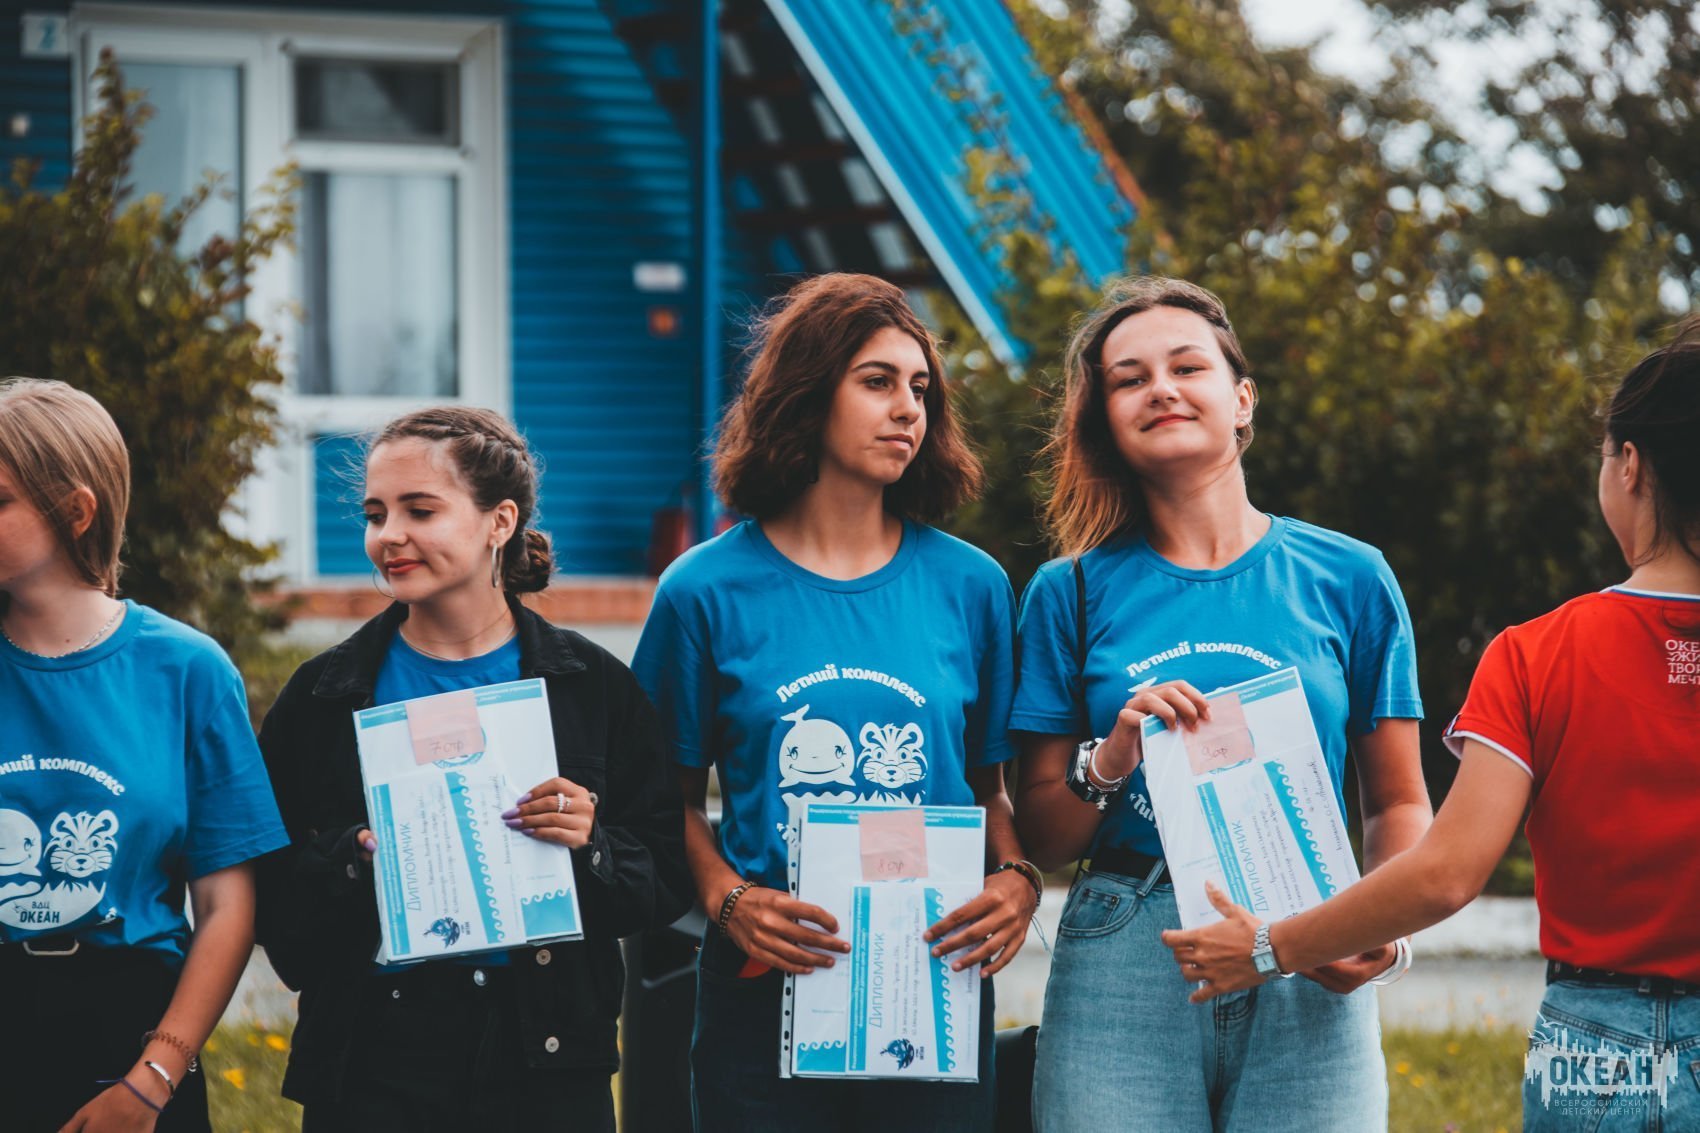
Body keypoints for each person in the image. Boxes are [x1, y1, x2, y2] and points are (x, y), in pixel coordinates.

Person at [1165, 317, 1700, 1131]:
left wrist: (1273, 944)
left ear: (1631, 464)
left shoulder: (1538, 653)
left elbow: (1447, 873)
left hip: (1597, 1043)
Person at [1010, 277, 1433, 1131]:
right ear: (1106, 421)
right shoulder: (1068, 592)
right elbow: (1046, 840)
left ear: (1241, 400)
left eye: (1186, 366)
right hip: (1127, 952)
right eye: (1129, 379)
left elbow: (1396, 801)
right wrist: (1110, 758)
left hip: (1308, 938)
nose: (1160, 389)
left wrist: (1382, 932)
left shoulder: (1350, 576)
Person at [632, 273, 1037, 1131]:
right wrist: (729, 900)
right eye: (878, 381)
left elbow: (991, 789)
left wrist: (1016, 879)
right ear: (809, 395)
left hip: (929, 979)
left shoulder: (973, 587)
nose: (908, 409)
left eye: (920, 388)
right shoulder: (703, 590)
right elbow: (662, 800)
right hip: (761, 985)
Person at [254, 406, 691, 1132]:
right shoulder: (323, 696)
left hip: (545, 1060)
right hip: (374, 1058)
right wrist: (353, 858)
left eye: (420, 510)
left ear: (500, 521)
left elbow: (663, 882)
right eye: (375, 514)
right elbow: (272, 896)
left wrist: (591, 843)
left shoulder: (592, 687)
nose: (388, 535)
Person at [0, 377, 286, 1132]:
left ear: (75, 511)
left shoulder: (186, 670)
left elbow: (226, 906)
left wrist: (152, 1082)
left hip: (129, 1031)